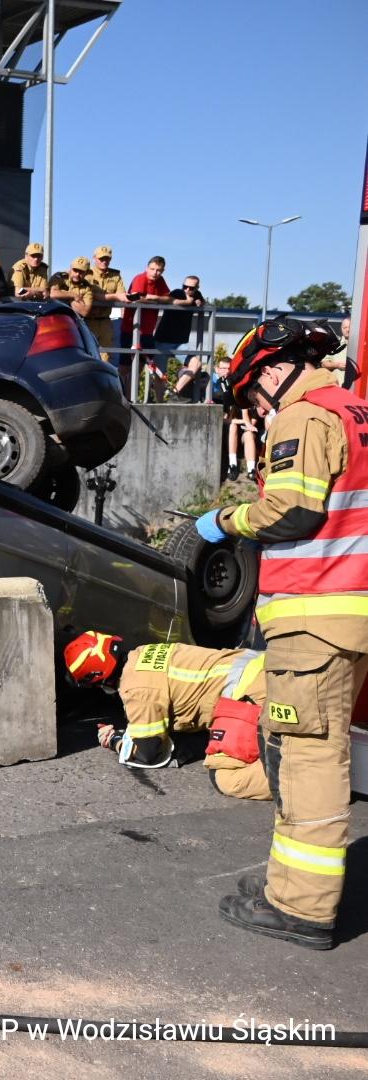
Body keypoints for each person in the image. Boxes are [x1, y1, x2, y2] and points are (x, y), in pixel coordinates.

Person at [196, 317, 367, 949]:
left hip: (315, 612)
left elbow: (291, 509)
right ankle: (285, 884)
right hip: (350, 609)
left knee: (309, 758)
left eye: (253, 397)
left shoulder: (303, 415)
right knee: (307, 746)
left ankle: (302, 906)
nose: (258, 410)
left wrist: (223, 520)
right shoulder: (356, 411)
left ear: (273, 371)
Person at [63, 631, 269, 799]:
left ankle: (288, 780)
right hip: (263, 666)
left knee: (227, 777)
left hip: (252, 692)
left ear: (97, 678)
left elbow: (148, 753)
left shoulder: (136, 690)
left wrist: (115, 740)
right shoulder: (143, 652)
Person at [120, 256, 172, 384]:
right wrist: (155, 300)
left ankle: (129, 394)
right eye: (152, 269)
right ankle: (118, 392)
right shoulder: (140, 278)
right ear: (146, 268)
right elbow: (136, 298)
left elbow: (168, 298)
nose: (155, 273)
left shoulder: (160, 281)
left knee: (139, 368)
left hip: (147, 332)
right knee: (125, 367)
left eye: (158, 270)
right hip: (131, 329)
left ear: (163, 271)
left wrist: (153, 298)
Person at [160, 275, 208, 400]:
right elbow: (172, 300)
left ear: (196, 288)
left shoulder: (197, 295)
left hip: (180, 344)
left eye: (191, 288)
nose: (187, 290)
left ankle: (174, 392)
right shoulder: (177, 292)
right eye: (185, 286)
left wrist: (200, 302)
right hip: (162, 340)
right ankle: (159, 402)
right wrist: (190, 302)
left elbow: (202, 301)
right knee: (159, 375)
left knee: (196, 364)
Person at [88, 245, 127, 358]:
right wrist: (115, 296)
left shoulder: (116, 276)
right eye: (101, 259)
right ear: (94, 258)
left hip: (105, 321)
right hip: (87, 321)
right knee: (87, 354)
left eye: (107, 258)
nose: (104, 261)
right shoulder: (87, 274)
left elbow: (122, 295)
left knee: (105, 356)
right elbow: (89, 295)